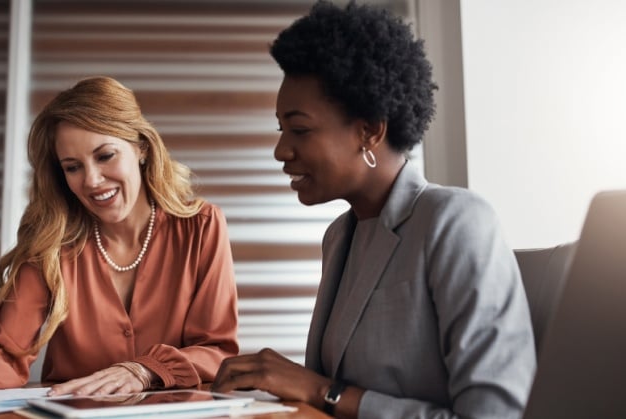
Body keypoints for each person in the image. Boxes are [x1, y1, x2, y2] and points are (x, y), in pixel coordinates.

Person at [211, 2, 536, 418]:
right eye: (281, 129)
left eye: (300, 129)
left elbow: (496, 415)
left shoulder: (455, 221)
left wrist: (324, 391)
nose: (281, 150)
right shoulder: (340, 236)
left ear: (370, 130)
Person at [0, 76, 239, 402]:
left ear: (142, 148)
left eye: (105, 156)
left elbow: (215, 349)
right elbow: (6, 353)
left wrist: (144, 370)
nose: (92, 181)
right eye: (73, 167)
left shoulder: (201, 226)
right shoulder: (51, 241)